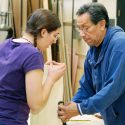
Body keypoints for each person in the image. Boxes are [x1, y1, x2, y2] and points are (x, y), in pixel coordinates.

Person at [58, 2, 125, 125]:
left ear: (101, 24)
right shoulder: (92, 51)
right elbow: (87, 86)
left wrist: (79, 109)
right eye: (80, 28)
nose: (82, 34)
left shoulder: (120, 45)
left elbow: (113, 89)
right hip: (112, 118)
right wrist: (73, 105)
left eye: (86, 28)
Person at [0, 9, 66, 125]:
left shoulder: (4, 45)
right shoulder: (33, 54)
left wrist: (39, 70)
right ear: (44, 32)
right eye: (55, 35)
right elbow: (35, 105)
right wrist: (51, 78)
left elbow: (13, 77)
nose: (55, 41)